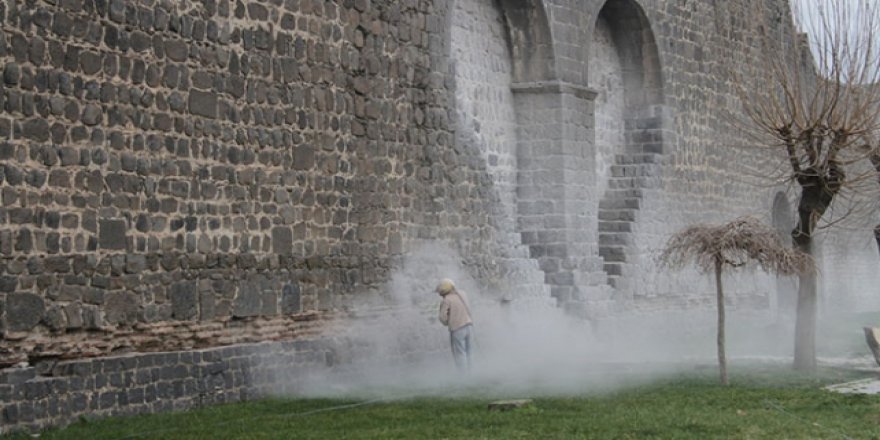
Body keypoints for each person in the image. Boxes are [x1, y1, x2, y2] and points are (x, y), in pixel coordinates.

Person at [436, 278, 474, 371]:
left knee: (460, 354)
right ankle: (471, 373)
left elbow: (442, 317)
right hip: (469, 326)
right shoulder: (463, 294)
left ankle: (463, 377)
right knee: (469, 352)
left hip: (457, 329)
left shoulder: (446, 300)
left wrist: (447, 322)